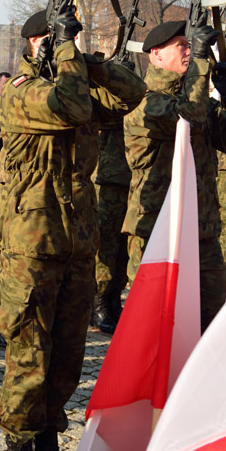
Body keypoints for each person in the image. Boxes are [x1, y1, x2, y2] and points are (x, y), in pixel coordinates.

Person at [0, 8, 146, 451]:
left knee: (67, 350)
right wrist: (62, 53)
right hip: (31, 243)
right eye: (52, 39)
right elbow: (71, 107)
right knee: (29, 349)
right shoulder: (20, 93)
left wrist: (86, 59)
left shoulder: (73, 80)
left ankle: (47, 437)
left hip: (77, 240)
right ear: (32, 44)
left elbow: (132, 93)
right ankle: (20, 444)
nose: (62, 46)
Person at [123, 19, 226, 332]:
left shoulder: (197, 98)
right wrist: (200, 62)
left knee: (212, 330)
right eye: (181, 46)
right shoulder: (143, 101)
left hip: (202, 232)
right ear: (156, 55)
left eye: (191, 45)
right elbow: (189, 116)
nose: (188, 51)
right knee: (156, 329)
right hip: (160, 234)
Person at [91, 121, 131, 334]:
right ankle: (100, 302)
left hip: (129, 174)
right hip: (106, 176)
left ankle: (114, 298)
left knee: (123, 245)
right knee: (105, 244)